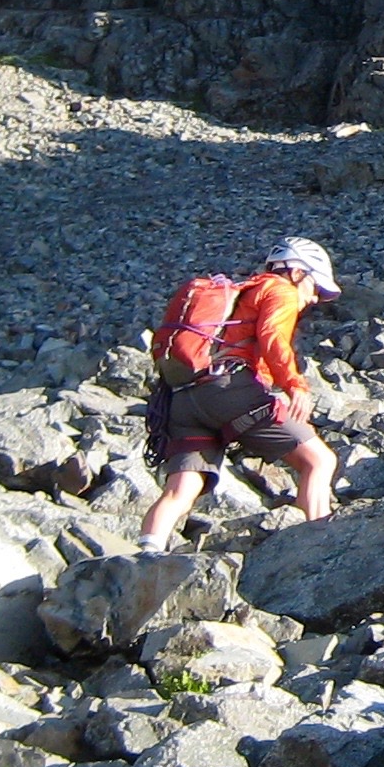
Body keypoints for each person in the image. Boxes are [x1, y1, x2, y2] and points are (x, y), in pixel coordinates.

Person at [139, 236, 343, 551]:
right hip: (229, 391)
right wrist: (294, 385)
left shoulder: (242, 293)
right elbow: (273, 337)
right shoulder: (281, 290)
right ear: (298, 273)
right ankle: (322, 545)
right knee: (319, 461)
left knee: (182, 489)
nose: (315, 298)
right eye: (315, 287)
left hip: (182, 398)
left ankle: (147, 552)